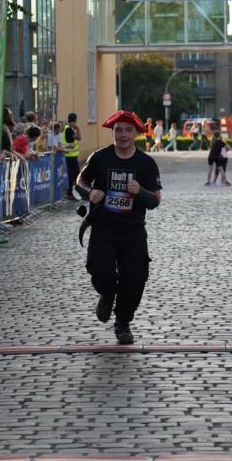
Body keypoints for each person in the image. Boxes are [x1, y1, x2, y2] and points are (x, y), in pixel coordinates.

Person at [77, 110, 162, 345]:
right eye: (118, 130)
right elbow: (80, 181)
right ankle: (107, 293)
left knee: (136, 278)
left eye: (128, 130)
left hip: (133, 229)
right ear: (112, 132)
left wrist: (140, 192)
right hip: (103, 227)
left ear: (136, 133)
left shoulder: (146, 163)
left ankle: (123, 323)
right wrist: (89, 192)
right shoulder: (100, 158)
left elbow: (155, 200)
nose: (123, 134)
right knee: (101, 272)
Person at [61, 112, 82, 199]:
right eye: (76, 121)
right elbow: (79, 138)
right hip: (70, 156)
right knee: (75, 175)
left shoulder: (66, 128)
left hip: (69, 156)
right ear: (74, 120)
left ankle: (70, 192)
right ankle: (72, 193)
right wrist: (78, 128)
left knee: (72, 175)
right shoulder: (69, 129)